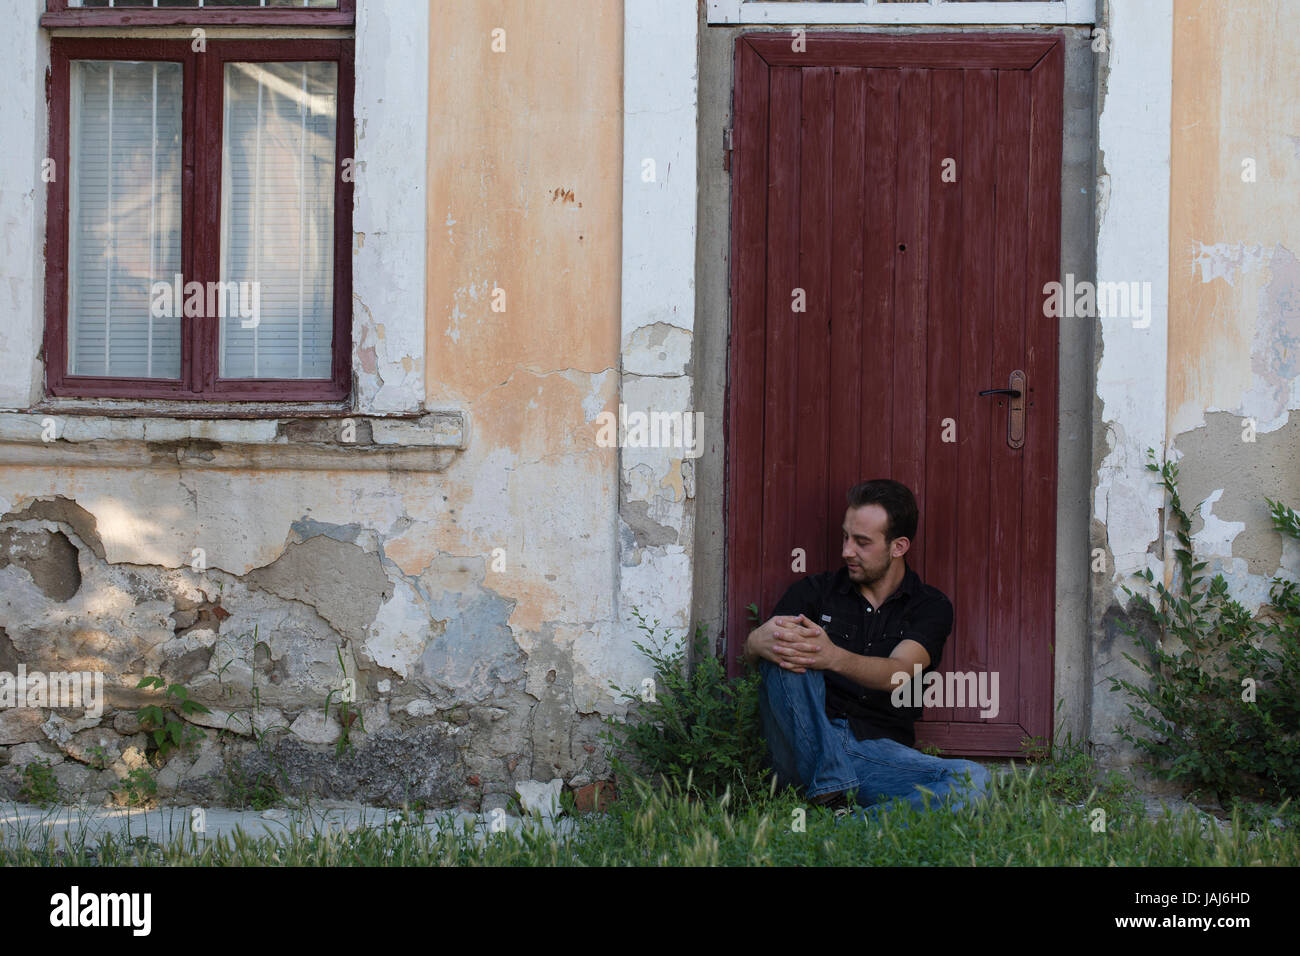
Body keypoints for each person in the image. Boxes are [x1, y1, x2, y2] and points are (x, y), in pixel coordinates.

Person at [743, 478, 992, 817]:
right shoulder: (815, 592)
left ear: (898, 546)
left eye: (861, 542)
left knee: (975, 780)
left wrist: (832, 657)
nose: (847, 551)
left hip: (875, 755)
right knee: (785, 650)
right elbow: (770, 658)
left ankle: (848, 823)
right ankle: (830, 787)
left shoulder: (929, 606)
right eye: (846, 537)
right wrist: (755, 641)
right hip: (802, 745)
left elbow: (901, 673)